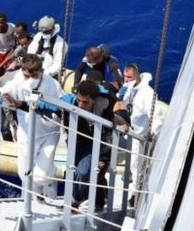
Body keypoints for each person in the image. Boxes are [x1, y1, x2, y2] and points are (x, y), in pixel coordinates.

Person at [0, 54, 63, 199]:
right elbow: (7, 88)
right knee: (24, 172)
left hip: (48, 133)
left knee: (41, 175)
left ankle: (50, 181)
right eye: (25, 75)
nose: (28, 79)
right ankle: (34, 198)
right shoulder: (17, 80)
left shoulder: (52, 85)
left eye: (33, 75)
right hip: (26, 132)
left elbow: (61, 106)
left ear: (40, 72)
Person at [112, 63, 164, 203]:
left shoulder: (147, 93)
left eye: (129, 77)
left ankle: (136, 193)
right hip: (128, 130)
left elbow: (155, 116)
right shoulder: (129, 87)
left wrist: (152, 133)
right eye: (124, 76)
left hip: (139, 135)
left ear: (136, 76)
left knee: (136, 164)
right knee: (131, 161)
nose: (126, 80)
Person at [66, 80, 113, 209]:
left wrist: (122, 119)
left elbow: (119, 108)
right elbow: (50, 105)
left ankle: (78, 201)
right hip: (76, 139)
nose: (80, 105)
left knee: (84, 173)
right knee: (72, 171)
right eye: (79, 100)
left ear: (95, 100)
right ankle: (76, 199)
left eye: (85, 102)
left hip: (95, 142)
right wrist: (22, 104)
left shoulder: (106, 103)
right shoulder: (69, 100)